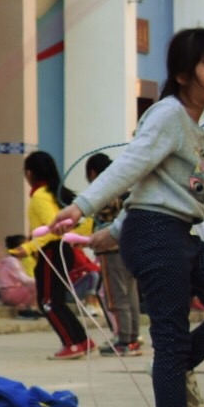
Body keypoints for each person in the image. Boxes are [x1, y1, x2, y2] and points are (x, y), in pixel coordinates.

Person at [46, 27, 204, 407]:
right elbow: (132, 166)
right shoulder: (168, 115)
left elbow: (151, 186)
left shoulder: (188, 123)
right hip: (158, 235)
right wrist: (81, 207)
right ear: (182, 75)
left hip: (171, 233)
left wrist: (113, 231)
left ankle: (183, 368)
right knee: (170, 341)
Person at [19, 150, 91, 357]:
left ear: (30, 173)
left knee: (48, 301)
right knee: (55, 300)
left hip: (52, 251)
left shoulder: (40, 197)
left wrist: (29, 247)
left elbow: (54, 228)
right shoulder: (55, 194)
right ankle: (81, 340)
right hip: (59, 251)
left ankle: (73, 343)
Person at [75, 151, 142, 352]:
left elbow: (95, 222)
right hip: (131, 249)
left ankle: (123, 340)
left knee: (116, 296)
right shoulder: (124, 189)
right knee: (130, 294)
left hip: (111, 251)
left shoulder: (104, 192)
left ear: (93, 172)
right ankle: (132, 337)